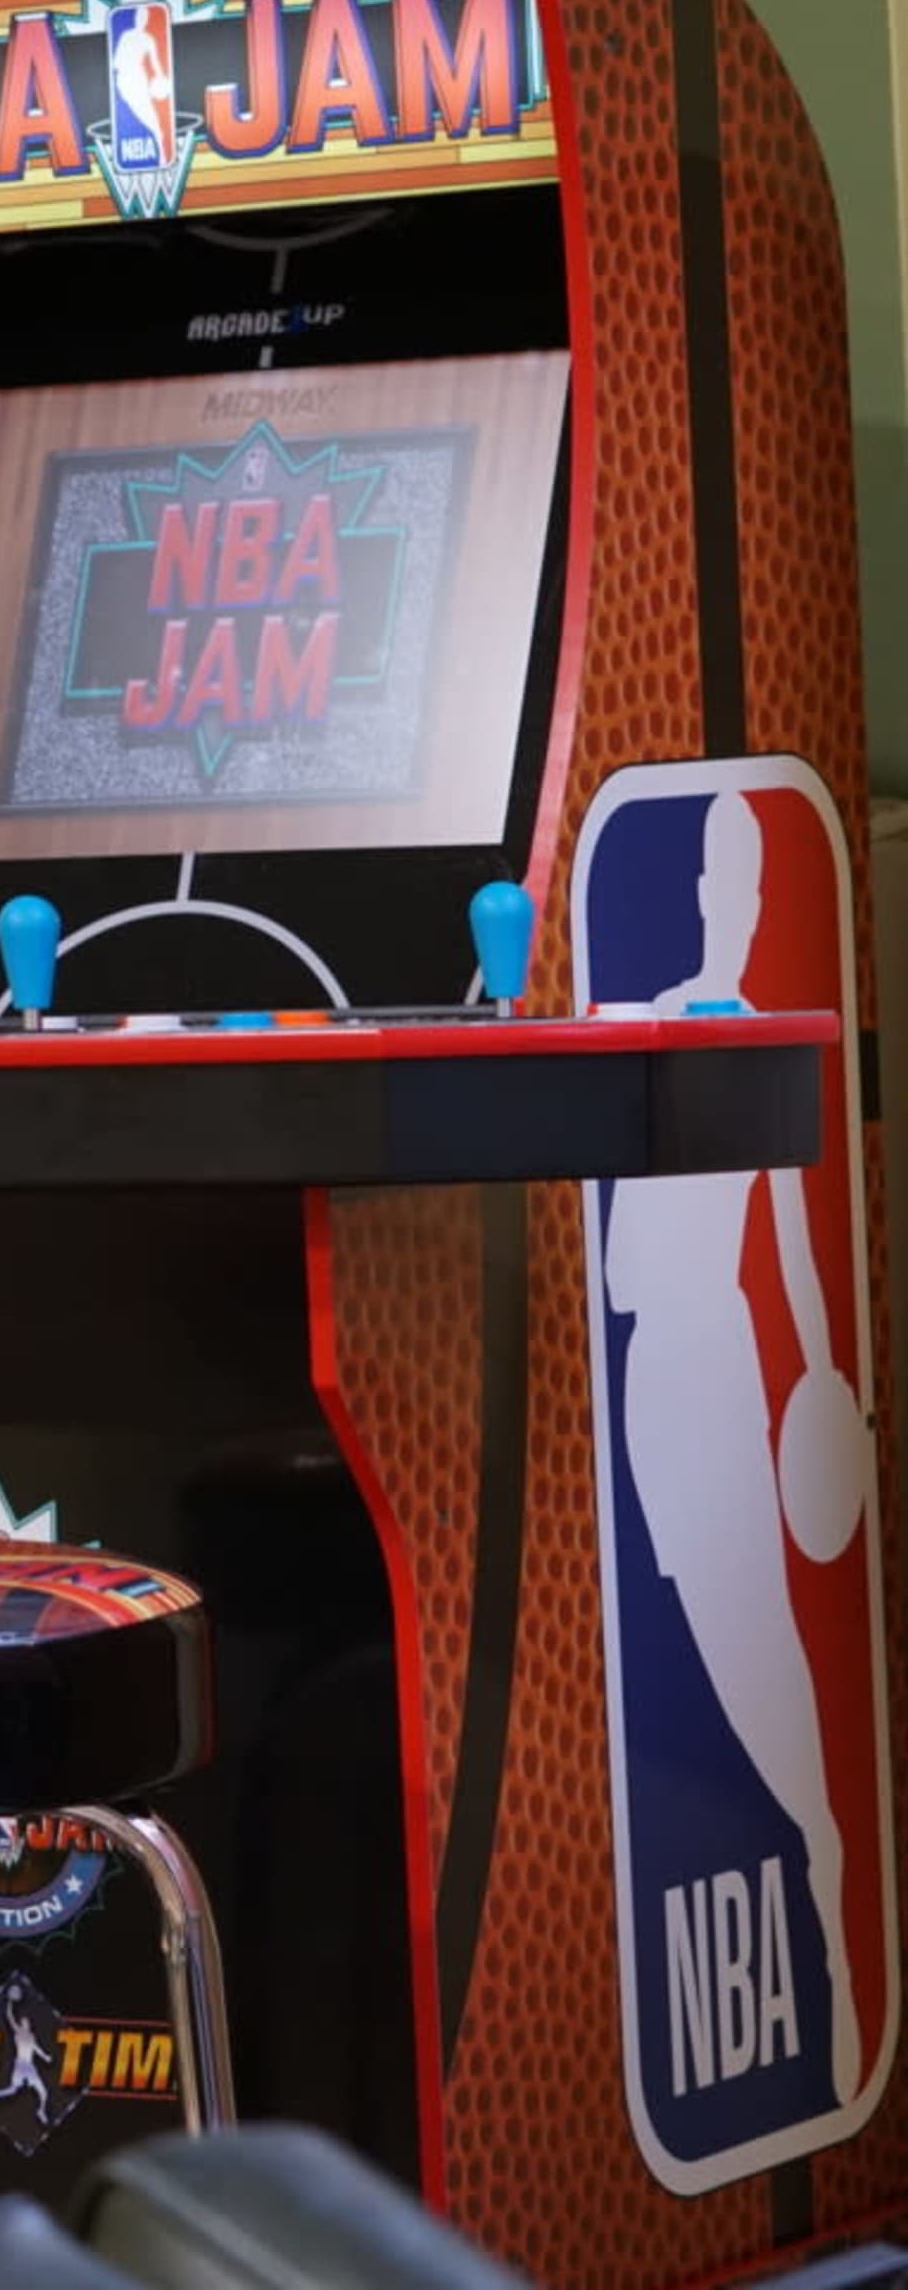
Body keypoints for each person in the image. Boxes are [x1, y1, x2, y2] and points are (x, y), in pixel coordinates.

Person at [606, 788, 869, 2105]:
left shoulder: (745, 1039)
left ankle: (822, 1904)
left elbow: (800, 1247)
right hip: (655, 1373)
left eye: (748, 882)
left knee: (765, 1674)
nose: (734, 902)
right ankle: (818, 1868)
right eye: (724, 878)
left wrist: (821, 1378)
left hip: (712, 1367)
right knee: (722, 1669)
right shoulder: (640, 1018)